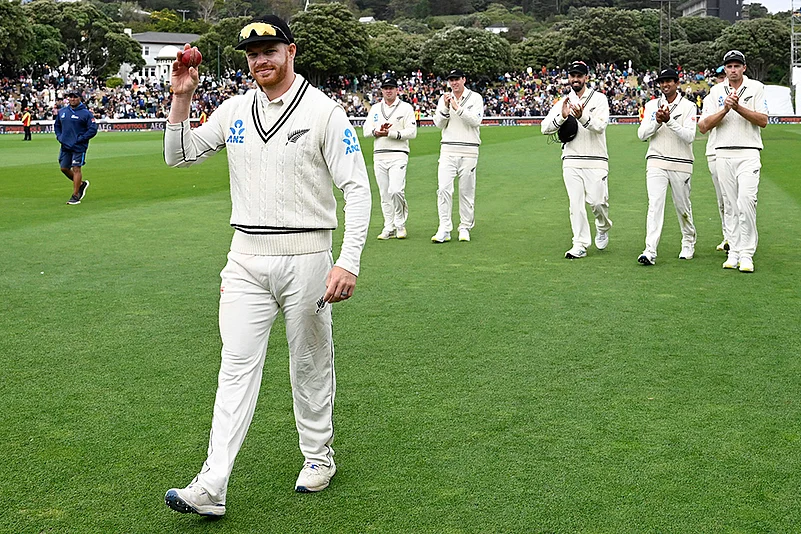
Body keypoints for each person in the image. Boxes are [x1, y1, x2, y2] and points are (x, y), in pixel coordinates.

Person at [162, 15, 371, 517]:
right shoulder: (234, 110)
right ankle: (211, 485)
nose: (260, 60)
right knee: (235, 368)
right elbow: (178, 156)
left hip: (307, 255)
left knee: (310, 362)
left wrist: (348, 261)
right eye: (252, 54)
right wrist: (182, 97)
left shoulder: (324, 112)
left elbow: (357, 188)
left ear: (291, 52)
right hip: (245, 257)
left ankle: (319, 457)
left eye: (269, 51)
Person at [698, 50, 768, 273]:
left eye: (737, 66)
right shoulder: (716, 92)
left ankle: (747, 254)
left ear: (744, 68)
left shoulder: (756, 87)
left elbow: (763, 120)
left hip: (749, 152)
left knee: (746, 202)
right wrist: (726, 108)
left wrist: (739, 107)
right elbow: (703, 126)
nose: (733, 70)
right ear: (725, 69)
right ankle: (734, 251)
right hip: (723, 153)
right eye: (729, 67)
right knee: (730, 206)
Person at [541, 61, 612, 259]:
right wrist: (562, 118)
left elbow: (600, 126)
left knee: (598, 202)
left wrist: (582, 117)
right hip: (571, 158)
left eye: (579, 75)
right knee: (576, 203)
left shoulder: (599, 99)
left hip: (596, 158)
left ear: (586, 78)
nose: (575, 79)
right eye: (572, 75)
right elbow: (544, 127)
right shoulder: (563, 101)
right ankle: (579, 243)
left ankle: (603, 226)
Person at [636, 68, 698, 265]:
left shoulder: (688, 106)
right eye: (662, 82)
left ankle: (688, 241)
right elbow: (642, 134)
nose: (665, 85)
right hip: (656, 160)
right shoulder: (652, 105)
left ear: (677, 82)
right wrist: (657, 121)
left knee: (683, 207)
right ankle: (649, 250)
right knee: (655, 205)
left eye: (669, 81)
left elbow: (689, 136)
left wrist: (669, 121)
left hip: (681, 163)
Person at [431, 69, 484, 243]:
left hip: (469, 150)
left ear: (463, 80)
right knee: (444, 189)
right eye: (451, 80)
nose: (454, 83)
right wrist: (446, 108)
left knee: (466, 190)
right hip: (448, 149)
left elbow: (476, 121)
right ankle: (444, 228)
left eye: (456, 79)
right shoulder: (443, 99)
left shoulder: (475, 98)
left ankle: (465, 227)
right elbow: (439, 124)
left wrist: (457, 108)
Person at [363, 76, 417, 239]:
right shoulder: (375, 109)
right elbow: (366, 130)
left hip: (398, 154)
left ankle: (400, 224)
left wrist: (391, 133)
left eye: (391, 88)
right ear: (381, 90)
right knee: (384, 193)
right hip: (379, 154)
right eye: (385, 88)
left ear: (396, 90)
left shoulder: (406, 108)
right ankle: (389, 226)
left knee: (395, 190)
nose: (388, 90)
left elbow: (412, 132)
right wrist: (377, 132)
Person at [702, 66, 734, 253]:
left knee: (737, 198)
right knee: (722, 199)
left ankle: (739, 236)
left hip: (738, 151)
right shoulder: (712, 97)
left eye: (725, 76)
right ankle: (727, 236)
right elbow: (705, 125)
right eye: (720, 77)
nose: (723, 80)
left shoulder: (743, 92)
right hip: (714, 151)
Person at [54, 89, 97, 205]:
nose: (72, 99)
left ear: (80, 98)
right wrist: (59, 137)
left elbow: (93, 129)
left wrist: (81, 139)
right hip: (65, 145)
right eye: (70, 97)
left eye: (75, 97)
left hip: (79, 146)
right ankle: (81, 184)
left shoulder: (86, 113)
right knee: (64, 168)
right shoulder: (63, 111)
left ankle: (75, 195)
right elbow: (57, 125)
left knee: (76, 168)